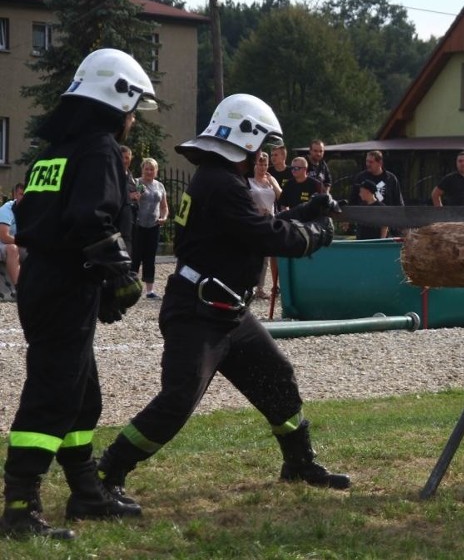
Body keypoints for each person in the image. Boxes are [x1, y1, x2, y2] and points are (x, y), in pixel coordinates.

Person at [96, 93, 349, 515]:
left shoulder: (217, 180)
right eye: (261, 146)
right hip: (199, 314)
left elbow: (255, 227)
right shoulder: (221, 183)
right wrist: (317, 233)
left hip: (226, 312)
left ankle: (299, 463)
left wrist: (307, 209)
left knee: (277, 377)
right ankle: (108, 474)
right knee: (178, 400)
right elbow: (267, 236)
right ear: (246, 141)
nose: (263, 156)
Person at [0, 48, 155, 540]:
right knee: (52, 395)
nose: (132, 122)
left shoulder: (54, 153)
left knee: (82, 394)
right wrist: (121, 277)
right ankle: (20, 507)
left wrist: (101, 281)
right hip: (67, 285)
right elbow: (93, 219)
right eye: (132, 111)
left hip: (45, 280)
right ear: (116, 101)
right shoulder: (99, 149)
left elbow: (34, 219)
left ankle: (86, 492)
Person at [131, 157, 169, 299]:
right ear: (142, 170)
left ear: (156, 171)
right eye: (146, 168)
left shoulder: (159, 186)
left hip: (154, 226)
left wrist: (164, 218)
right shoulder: (136, 182)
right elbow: (128, 199)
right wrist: (134, 196)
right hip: (138, 225)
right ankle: (132, 288)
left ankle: (149, 291)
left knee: (150, 258)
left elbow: (164, 206)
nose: (149, 171)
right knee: (135, 256)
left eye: (152, 169)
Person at [248, 150, 283, 299]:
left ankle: (260, 288)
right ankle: (249, 285)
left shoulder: (270, 179)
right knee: (254, 254)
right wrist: (256, 209)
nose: (263, 168)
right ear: (255, 165)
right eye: (260, 164)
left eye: (265, 165)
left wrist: (274, 184)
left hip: (270, 219)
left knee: (266, 257)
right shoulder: (249, 181)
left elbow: (281, 196)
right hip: (255, 218)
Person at [0, 183, 26, 292]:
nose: (24, 198)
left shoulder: (35, 210)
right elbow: (4, 237)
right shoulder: (7, 209)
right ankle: (20, 289)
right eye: (21, 194)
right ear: (15, 194)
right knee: (12, 249)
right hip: (3, 243)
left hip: (21, 243)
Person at [119, 145, 140, 256]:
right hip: (119, 221)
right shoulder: (114, 174)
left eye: (127, 158)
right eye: (122, 157)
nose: (125, 161)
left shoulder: (130, 175)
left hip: (131, 219)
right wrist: (129, 196)